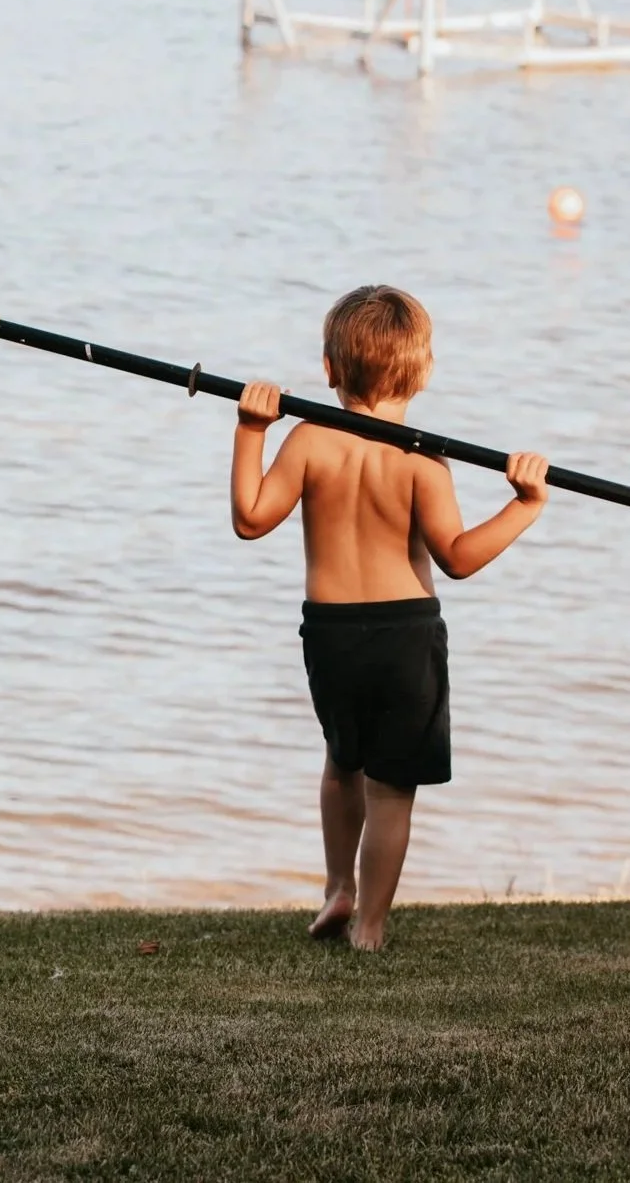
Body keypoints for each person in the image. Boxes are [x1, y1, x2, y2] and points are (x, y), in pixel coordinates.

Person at [230, 285, 549, 950]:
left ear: (328, 369)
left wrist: (251, 431)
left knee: (341, 764)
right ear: (423, 371)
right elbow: (457, 559)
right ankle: (369, 926)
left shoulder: (309, 441)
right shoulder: (421, 461)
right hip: (404, 633)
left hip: (331, 633)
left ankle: (337, 887)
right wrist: (523, 506)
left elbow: (250, 519)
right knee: (392, 790)